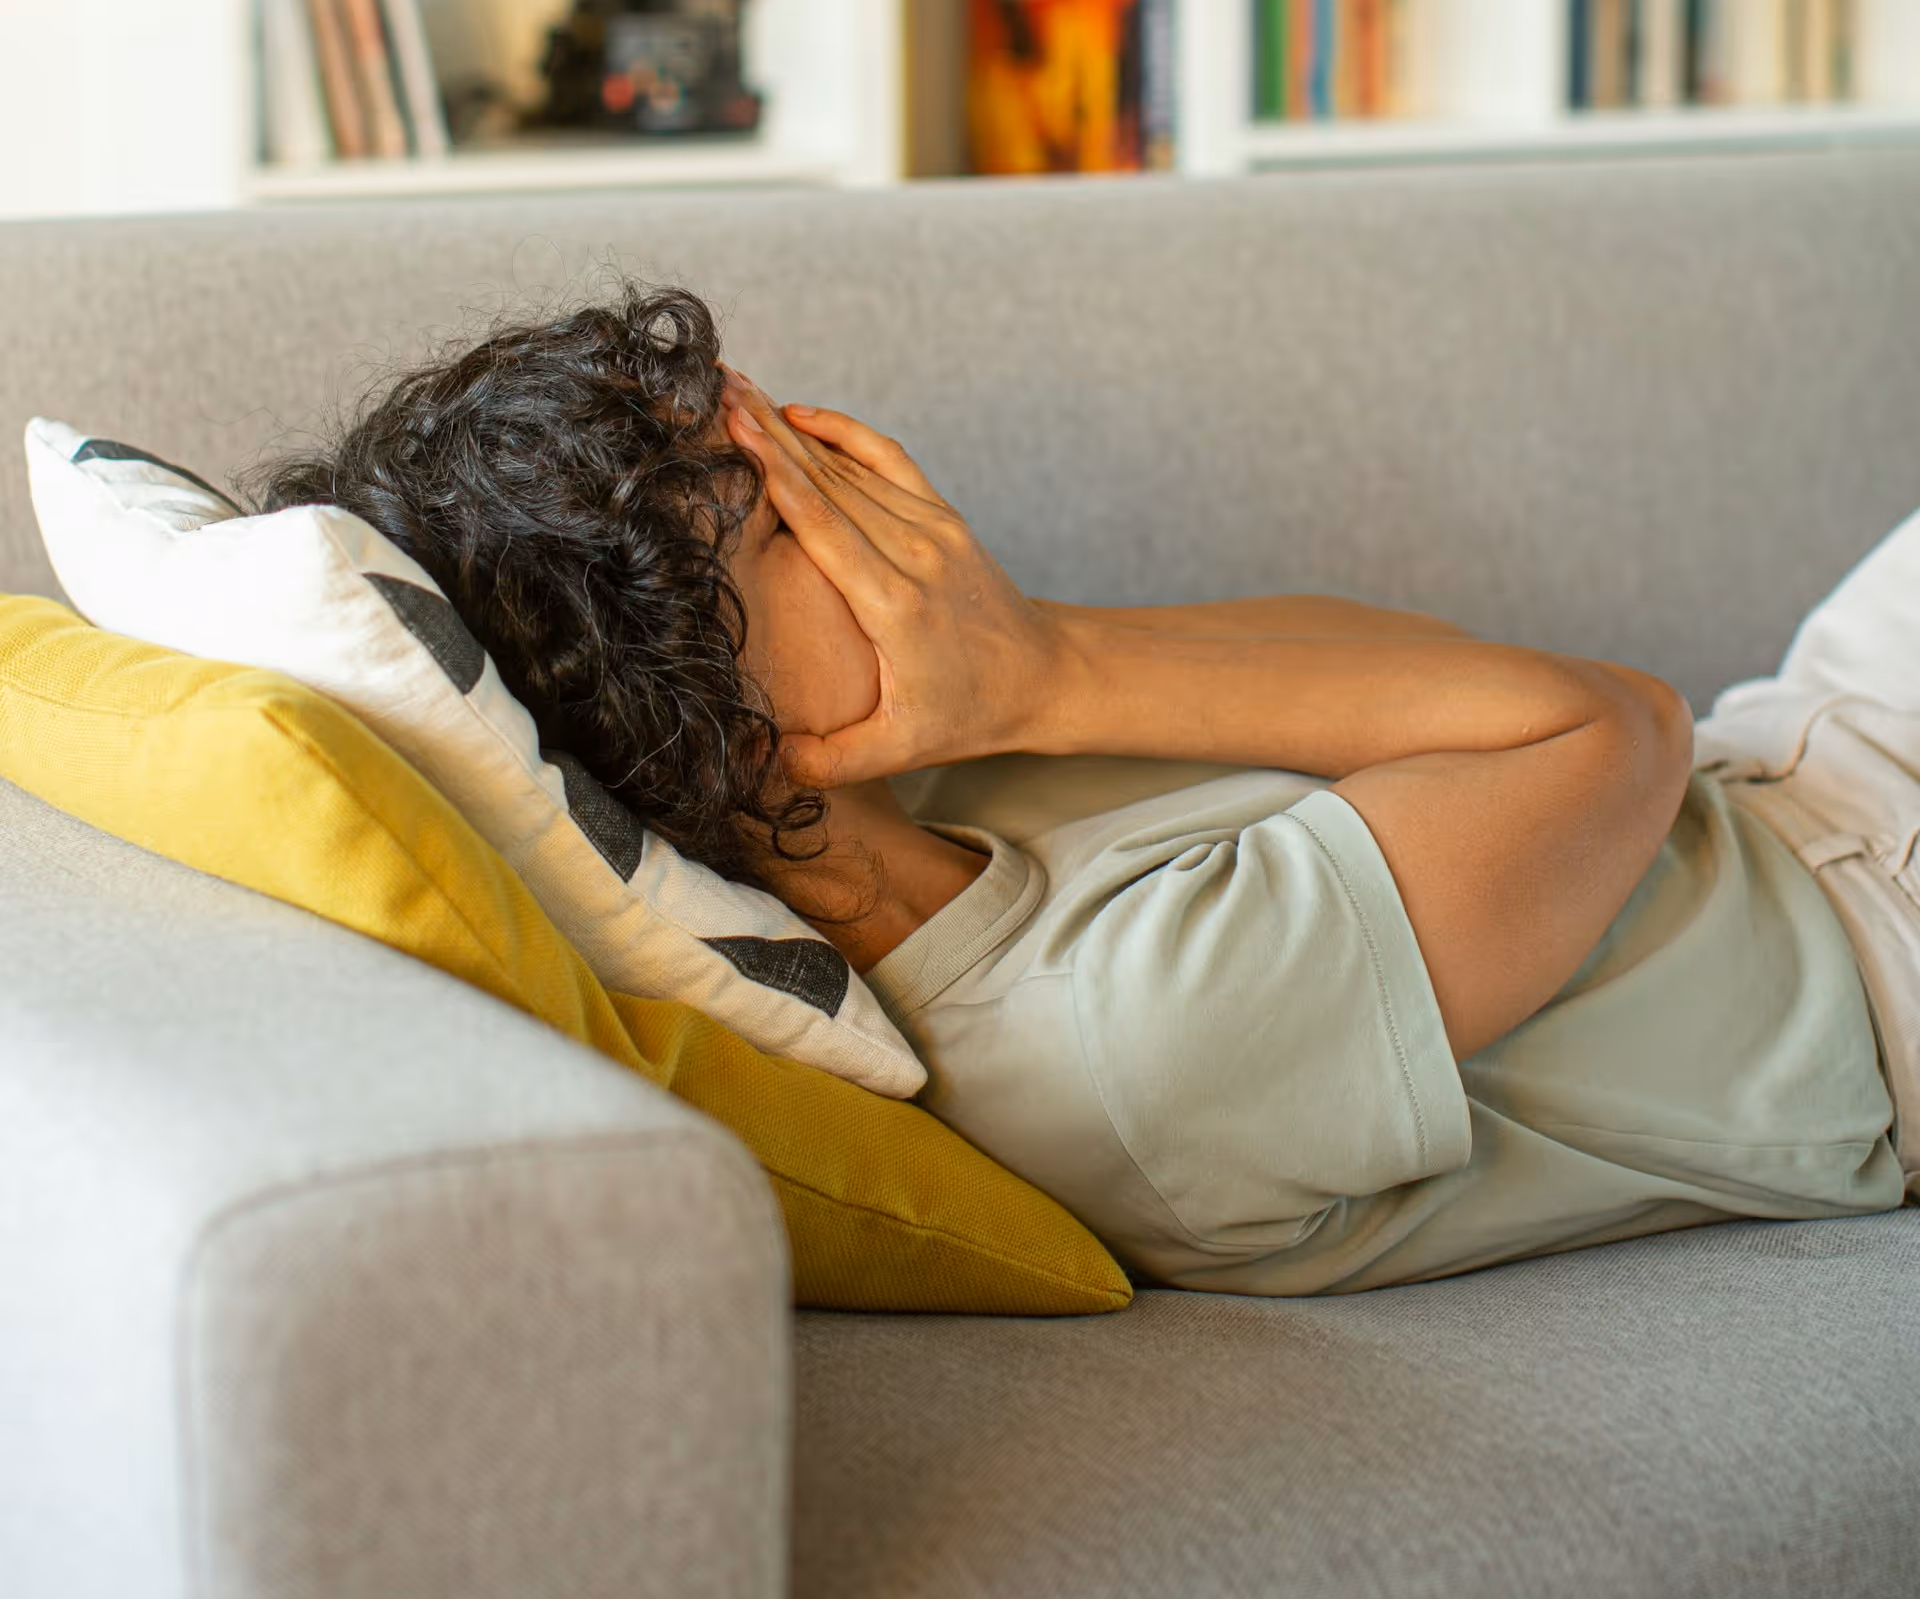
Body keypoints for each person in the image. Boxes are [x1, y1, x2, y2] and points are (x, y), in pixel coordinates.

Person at [255, 283, 1920, 1297]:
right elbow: (1602, 725)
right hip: (1880, 935)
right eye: (781, 514)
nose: (849, 481)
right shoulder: (1129, 1043)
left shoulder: (939, 767)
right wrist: (1052, 670)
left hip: (1802, 750)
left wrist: (1036, 657)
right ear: (728, 743)